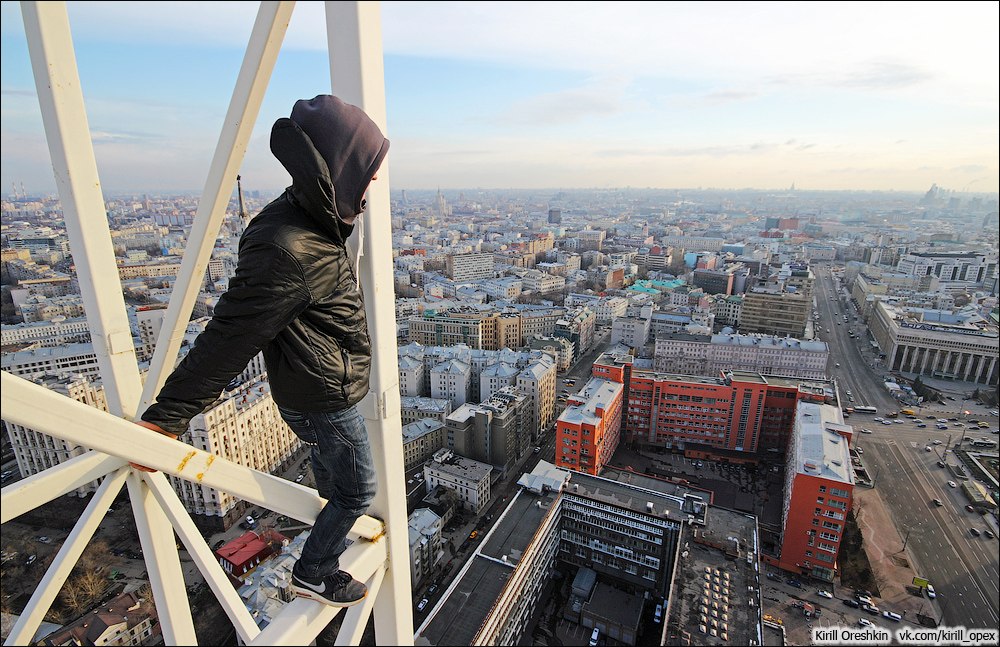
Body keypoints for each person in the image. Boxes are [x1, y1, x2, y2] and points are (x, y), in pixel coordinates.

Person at [134, 94, 389, 607]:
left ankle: (325, 553)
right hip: (322, 396)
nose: (374, 182)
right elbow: (230, 338)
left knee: (333, 483)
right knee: (356, 491)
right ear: (337, 167)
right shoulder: (290, 245)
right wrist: (168, 418)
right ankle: (314, 571)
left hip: (316, 383)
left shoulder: (306, 218)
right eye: (367, 169)